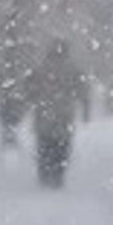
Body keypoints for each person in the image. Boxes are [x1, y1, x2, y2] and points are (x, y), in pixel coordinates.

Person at [31, 39, 87, 189]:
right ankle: (58, 175)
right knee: (61, 149)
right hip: (64, 117)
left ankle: (45, 175)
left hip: (44, 116)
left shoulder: (41, 68)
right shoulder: (73, 69)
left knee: (44, 148)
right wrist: (85, 108)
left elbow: (30, 89)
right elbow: (82, 90)